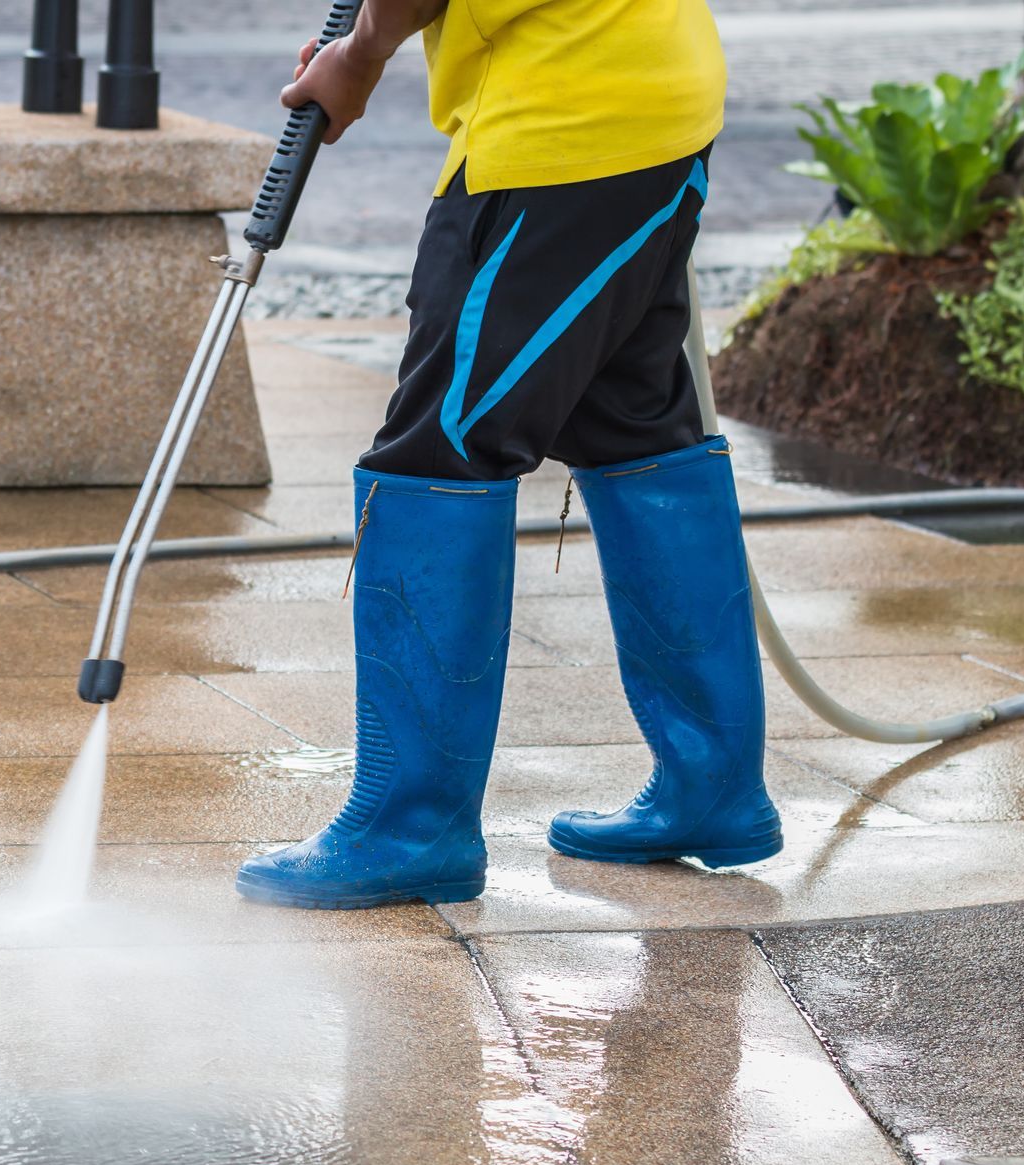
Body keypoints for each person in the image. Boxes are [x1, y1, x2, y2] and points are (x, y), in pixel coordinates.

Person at [235, 0, 783, 909]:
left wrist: (363, 53)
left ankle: (410, 826)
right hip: (653, 101)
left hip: (562, 133)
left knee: (440, 451)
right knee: (634, 425)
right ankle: (712, 786)